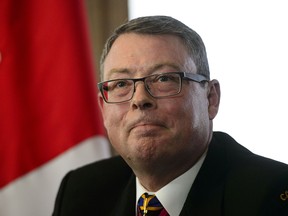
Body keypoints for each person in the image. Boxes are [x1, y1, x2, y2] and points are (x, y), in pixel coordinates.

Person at [52, 16, 288, 216]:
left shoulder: (271, 196)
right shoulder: (80, 192)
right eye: (121, 83)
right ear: (103, 108)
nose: (139, 99)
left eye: (164, 78)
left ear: (210, 98)